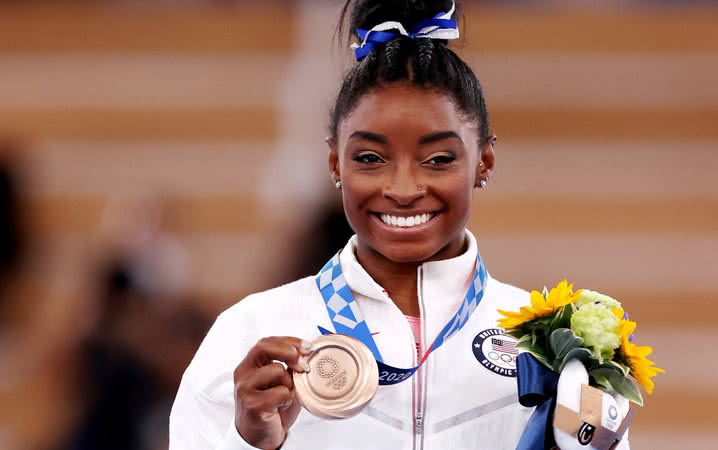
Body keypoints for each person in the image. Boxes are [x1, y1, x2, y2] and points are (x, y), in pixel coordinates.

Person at [170, 1, 631, 449]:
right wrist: (249, 443)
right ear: (335, 162)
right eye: (370, 158)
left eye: (438, 159)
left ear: (484, 162)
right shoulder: (251, 331)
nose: (404, 188)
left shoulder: (555, 346)